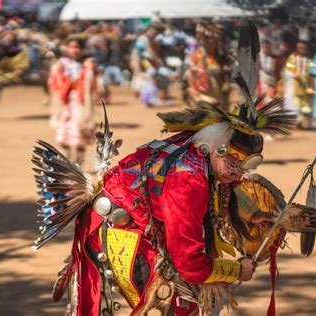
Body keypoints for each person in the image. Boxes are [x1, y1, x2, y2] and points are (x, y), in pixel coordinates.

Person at [32, 23, 301, 316]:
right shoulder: (188, 181)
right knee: (174, 303)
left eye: (250, 164)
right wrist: (234, 270)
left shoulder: (199, 149)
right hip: (118, 227)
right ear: (214, 149)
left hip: (136, 218)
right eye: (235, 161)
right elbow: (189, 262)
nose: (240, 172)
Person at [47, 38, 96, 162]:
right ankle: (67, 163)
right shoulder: (61, 64)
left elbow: (92, 86)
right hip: (65, 103)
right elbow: (55, 82)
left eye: (77, 47)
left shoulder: (86, 65)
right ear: (67, 48)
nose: (74, 50)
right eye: (72, 47)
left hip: (81, 103)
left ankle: (79, 165)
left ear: (82, 50)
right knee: (64, 137)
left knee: (81, 135)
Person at [282, 40, 314, 128]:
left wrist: (311, 84)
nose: (302, 50)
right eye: (300, 48)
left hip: (305, 85)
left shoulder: (309, 59)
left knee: (304, 103)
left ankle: (301, 123)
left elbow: (312, 71)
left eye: (304, 48)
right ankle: (294, 123)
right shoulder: (293, 57)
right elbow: (286, 69)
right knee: (294, 103)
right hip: (293, 84)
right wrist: (293, 75)